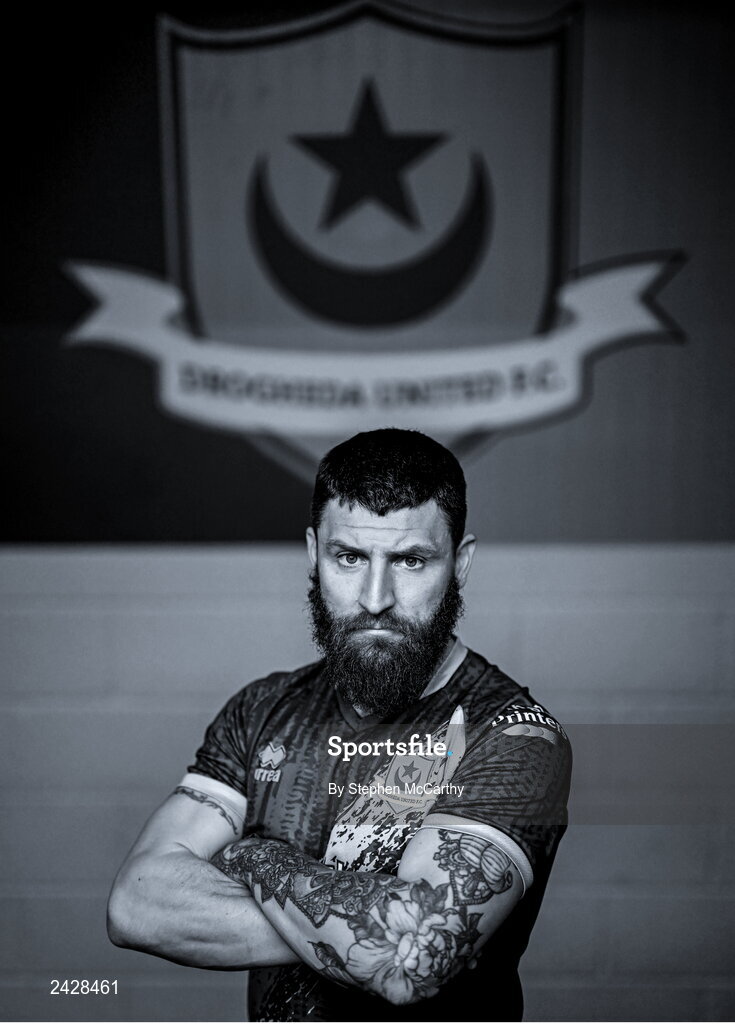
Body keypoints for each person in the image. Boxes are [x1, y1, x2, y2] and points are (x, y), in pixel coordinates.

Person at [108, 428, 572, 1021]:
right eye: (349, 557)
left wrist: (256, 857)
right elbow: (135, 904)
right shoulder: (262, 710)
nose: (375, 598)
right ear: (313, 553)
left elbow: (410, 961)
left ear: (461, 562)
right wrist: (363, 931)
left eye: (410, 560)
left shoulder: (513, 735)